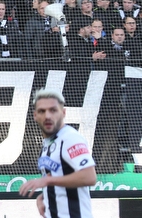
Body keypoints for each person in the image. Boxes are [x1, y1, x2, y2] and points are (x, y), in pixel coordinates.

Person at [19, 89, 97, 218]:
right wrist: (44, 196)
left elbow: (89, 177)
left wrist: (48, 182)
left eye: (53, 110)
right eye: (42, 111)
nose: (47, 116)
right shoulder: (49, 142)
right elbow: (60, 178)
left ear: (63, 112)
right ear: (35, 115)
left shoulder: (70, 139)